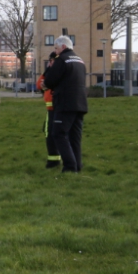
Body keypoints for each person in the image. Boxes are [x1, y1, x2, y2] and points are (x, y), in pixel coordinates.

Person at [42, 36, 87, 173]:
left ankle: (69, 166)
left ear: (63, 47)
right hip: (80, 103)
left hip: (65, 103)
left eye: (56, 48)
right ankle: (77, 165)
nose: (55, 52)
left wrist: (48, 71)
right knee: (75, 136)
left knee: (59, 133)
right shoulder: (80, 60)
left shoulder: (61, 60)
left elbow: (50, 80)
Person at [36, 52, 62, 169]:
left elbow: (43, 85)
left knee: (53, 133)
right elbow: (39, 85)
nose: (50, 63)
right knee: (49, 133)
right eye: (50, 61)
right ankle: (54, 159)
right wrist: (46, 73)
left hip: (55, 108)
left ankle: (54, 160)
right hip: (51, 108)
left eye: (52, 61)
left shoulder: (58, 72)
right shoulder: (50, 73)